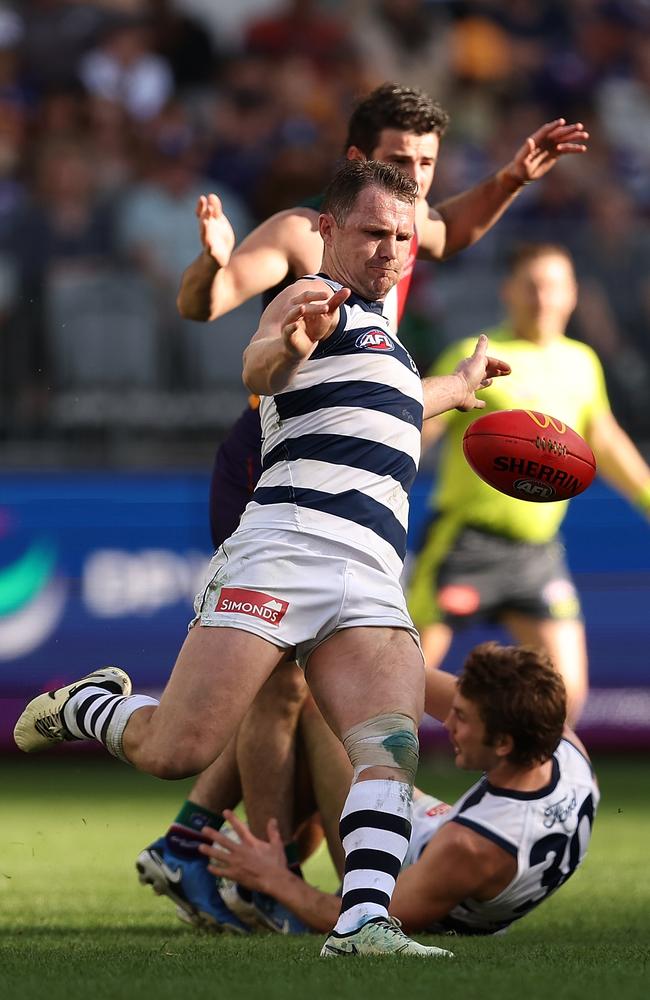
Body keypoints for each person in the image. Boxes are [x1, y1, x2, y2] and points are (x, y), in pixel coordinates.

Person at [13, 160, 511, 959]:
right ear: (328, 231)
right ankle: (93, 706)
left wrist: (458, 384)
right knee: (178, 752)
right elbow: (261, 370)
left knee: (389, 746)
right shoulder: (310, 298)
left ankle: (364, 922)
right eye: (374, 233)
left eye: (403, 237)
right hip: (283, 550)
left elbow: (395, 405)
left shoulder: (387, 341)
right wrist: (287, 345)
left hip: (372, 570)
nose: (391, 249)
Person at [138, 84, 588, 930]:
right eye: (403, 164)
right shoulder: (305, 233)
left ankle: (205, 843)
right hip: (281, 464)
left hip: (365, 450)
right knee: (280, 689)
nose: (418, 183)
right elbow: (210, 305)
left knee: (320, 687)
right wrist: (211, 260)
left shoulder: (405, 220)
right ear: (357, 165)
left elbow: (457, 224)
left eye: (426, 167)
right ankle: (252, 872)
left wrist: (512, 178)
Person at [201, 641, 599, 938]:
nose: (448, 725)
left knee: (307, 702)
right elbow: (402, 676)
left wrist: (273, 878)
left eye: (461, 718)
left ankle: (253, 870)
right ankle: (202, 843)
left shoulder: (470, 848)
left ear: (504, 744)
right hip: (439, 832)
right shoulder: (563, 746)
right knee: (323, 687)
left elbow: (355, 915)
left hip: (407, 871)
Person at [407, 242, 650, 724]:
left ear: (573, 294)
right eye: (533, 286)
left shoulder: (582, 362)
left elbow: (606, 442)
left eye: (555, 285)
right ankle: (351, 786)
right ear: (509, 292)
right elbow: (418, 430)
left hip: (536, 552)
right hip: (464, 544)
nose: (544, 297)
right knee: (401, 683)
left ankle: (525, 796)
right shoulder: (475, 356)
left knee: (564, 698)